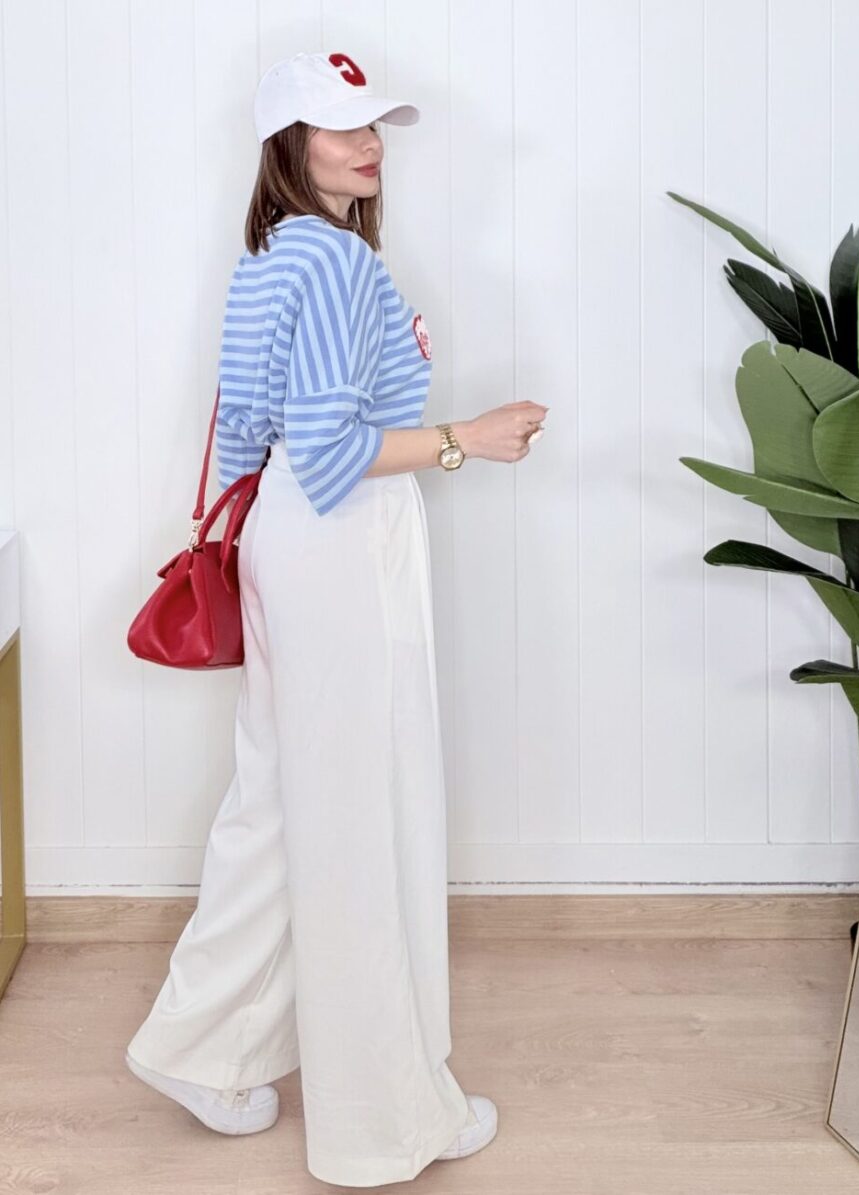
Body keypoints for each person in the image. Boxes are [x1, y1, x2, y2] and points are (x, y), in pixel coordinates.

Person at [123, 49, 548, 1187]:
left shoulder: (272, 254)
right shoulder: (334, 259)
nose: (367, 144)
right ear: (289, 144)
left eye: (373, 126)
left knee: (279, 805)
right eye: (339, 125)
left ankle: (201, 1048)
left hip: (290, 544)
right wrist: (468, 438)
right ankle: (383, 1120)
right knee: (361, 817)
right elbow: (327, 449)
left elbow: (260, 433)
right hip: (342, 541)